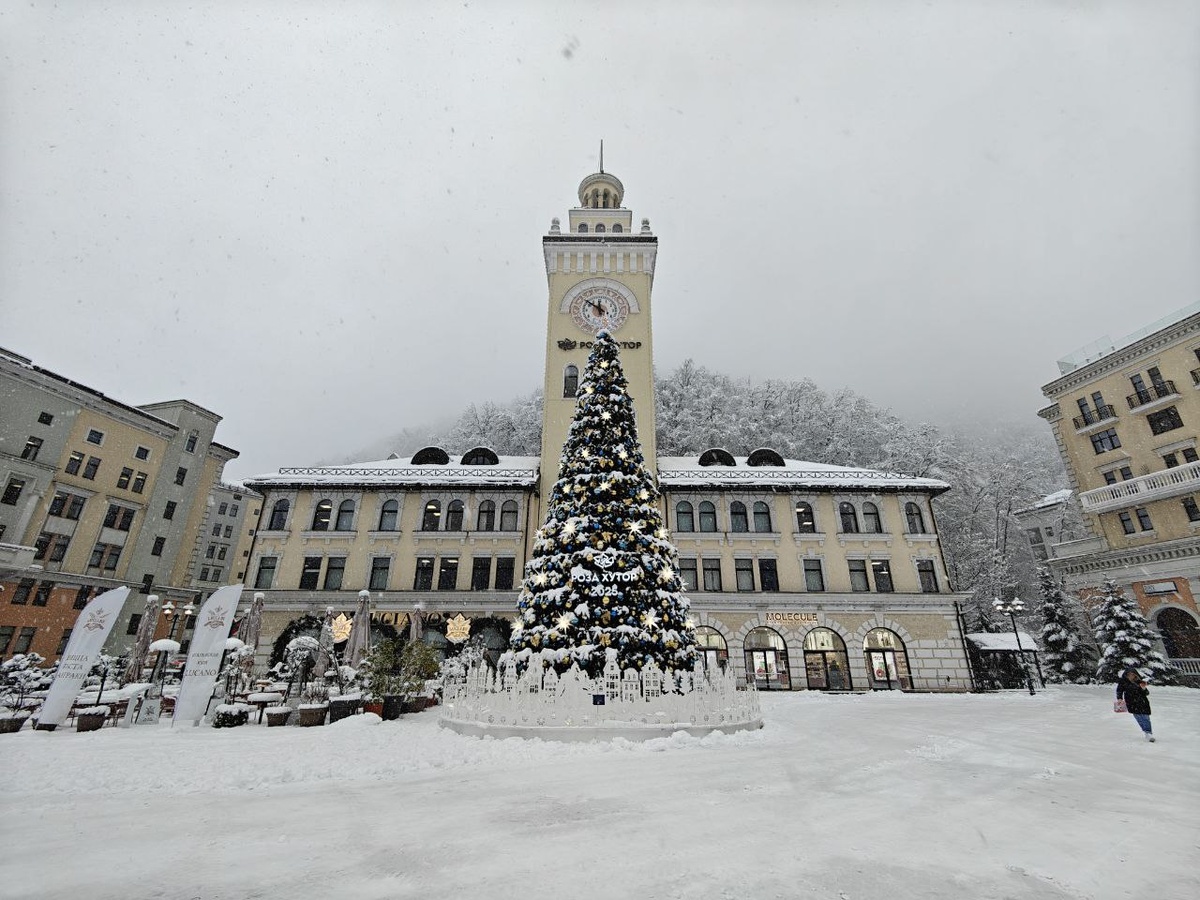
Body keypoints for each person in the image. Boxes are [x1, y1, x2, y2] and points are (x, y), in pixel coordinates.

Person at [1115, 668, 1155, 742]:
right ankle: (1146, 732)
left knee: (1146, 718)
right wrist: (1119, 698)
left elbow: (1146, 693)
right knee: (1139, 718)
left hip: (1142, 702)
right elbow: (1119, 691)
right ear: (1126, 675)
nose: (1131, 676)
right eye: (1129, 674)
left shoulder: (1139, 682)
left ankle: (1149, 733)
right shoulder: (1123, 682)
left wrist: (1143, 688)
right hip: (1131, 703)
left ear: (1135, 675)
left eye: (1133, 674)